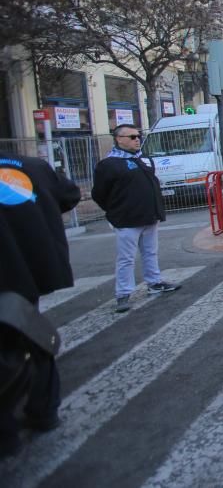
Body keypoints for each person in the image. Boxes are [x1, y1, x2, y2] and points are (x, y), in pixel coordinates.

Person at [0, 151, 80, 458]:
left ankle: (7, 431)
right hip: (28, 265)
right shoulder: (31, 166)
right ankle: (44, 409)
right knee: (29, 334)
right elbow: (69, 195)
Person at [92, 124, 180, 313]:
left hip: (149, 216)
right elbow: (99, 193)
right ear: (119, 139)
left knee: (150, 252)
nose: (137, 139)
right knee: (126, 258)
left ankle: (154, 282)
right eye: (132, 137)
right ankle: (123, 294)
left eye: (138, 136)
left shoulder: (144, 159)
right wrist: (114, 212)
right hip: (126, 219)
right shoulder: (109, 164)